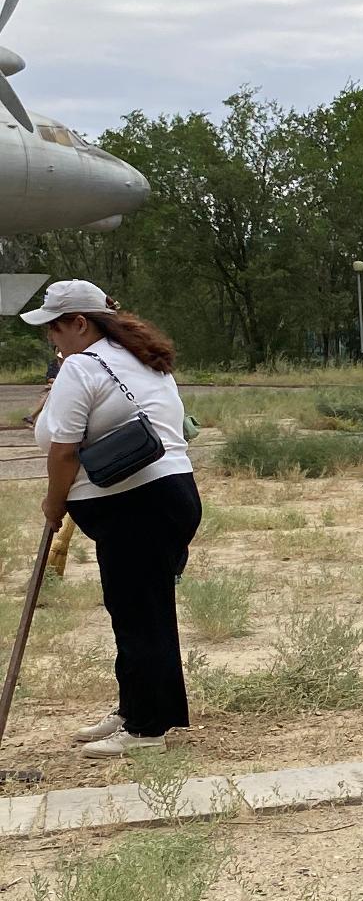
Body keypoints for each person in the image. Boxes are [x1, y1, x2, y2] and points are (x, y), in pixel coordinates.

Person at [23, 280, 201, 760]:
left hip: (134, 504)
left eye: (55, 329)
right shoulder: (139, 356)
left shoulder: (84, 365)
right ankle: (134, 707)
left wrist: (54, 503)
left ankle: (148, 728)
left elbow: (63, 453)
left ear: (80, 323)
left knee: (140, 613)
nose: (51, 340)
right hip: (166, 496)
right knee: (135, 609)